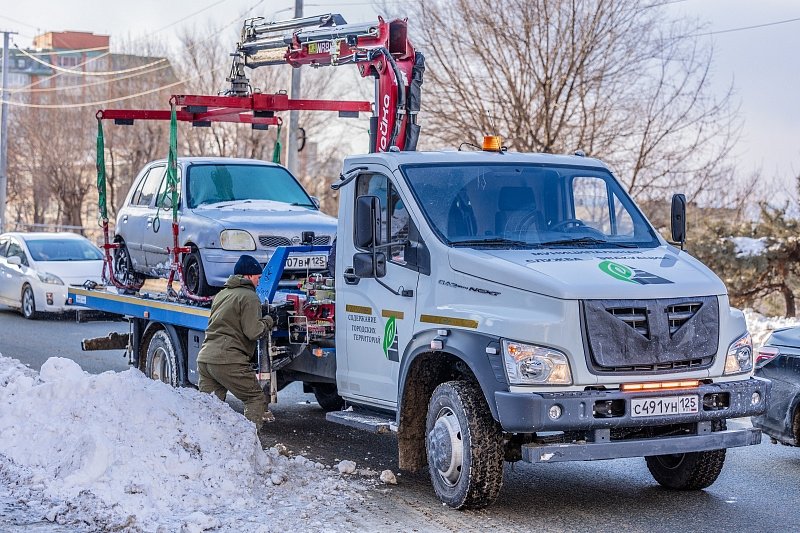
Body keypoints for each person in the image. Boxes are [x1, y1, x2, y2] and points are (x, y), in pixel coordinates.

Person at [197, 254, 275, 436]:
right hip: (228, 359)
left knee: (209, 406)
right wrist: (269, 320)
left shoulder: (222, 294)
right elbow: (253, 331)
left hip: (206, 359)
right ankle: (249, 444)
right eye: (258, 276)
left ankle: (207, 443)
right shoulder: (249, 297)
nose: (259, 280)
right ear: (248, 276)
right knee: (255, 398)